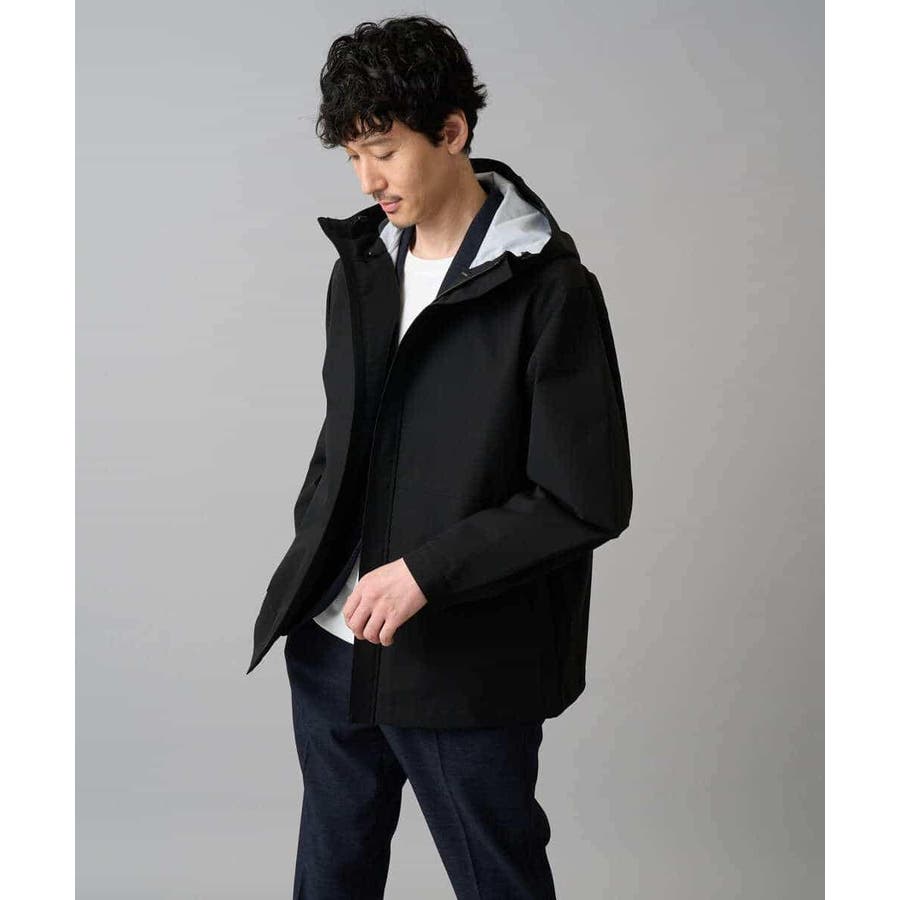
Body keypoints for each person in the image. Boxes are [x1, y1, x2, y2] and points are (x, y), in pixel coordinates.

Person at [247, 15, 633, 899]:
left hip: (462, 663)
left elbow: (586, 498)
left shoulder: (549, 291)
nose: (367, 179)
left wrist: (425, 572)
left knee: (498, 880)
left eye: (384, 150)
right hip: (333, 646)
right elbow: (342, 437)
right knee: (330, 878)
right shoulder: (361, 268)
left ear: (452, 132)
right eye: (352, 156)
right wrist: (316, 557)